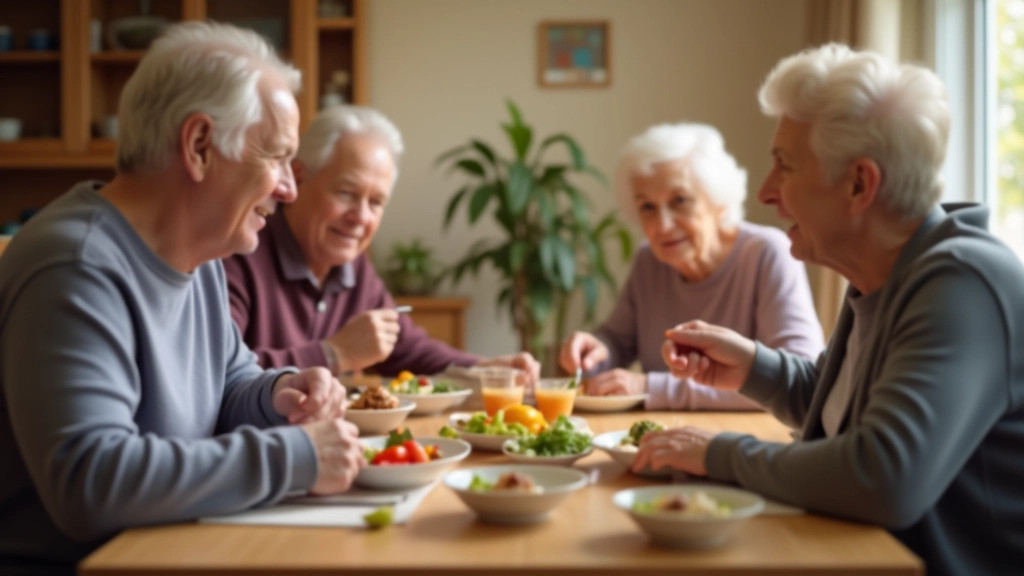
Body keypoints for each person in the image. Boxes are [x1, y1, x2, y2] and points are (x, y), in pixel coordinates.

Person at [637, 44, 1024, 576]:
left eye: (784, 166)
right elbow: (841, 408)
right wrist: (752, 365)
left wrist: (718, 454)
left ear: (859, 183)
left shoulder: (962, 283)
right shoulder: (887, 270)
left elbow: (884, 475)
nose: (768, 192)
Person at [0, 22, 365, 575]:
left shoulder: (202, 260)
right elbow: (92, 481)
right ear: (199, 146)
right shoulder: (76, 266)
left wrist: (280, 394)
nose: (289, 188)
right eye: (277, 156)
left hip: (171, 551)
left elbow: (228, 386)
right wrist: (297, 457)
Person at [223, 105, 540, 383]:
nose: (360, 217)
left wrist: (483, 368)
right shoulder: (238, 250)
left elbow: (408, 347)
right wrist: (333, 354)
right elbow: (222, 372)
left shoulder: (352, 266)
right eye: (346, 193)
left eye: (376, 202)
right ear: (297, 177)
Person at [559, 123, 823, 410]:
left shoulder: (767, 254)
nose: (663, 225)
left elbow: (801, 374)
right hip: (658, 433)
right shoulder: (649, 260)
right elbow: (616, 340)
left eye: (680, 200)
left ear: (719, 201)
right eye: (647, 207)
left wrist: (650, 387)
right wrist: (594, 350)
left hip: (746, 441)